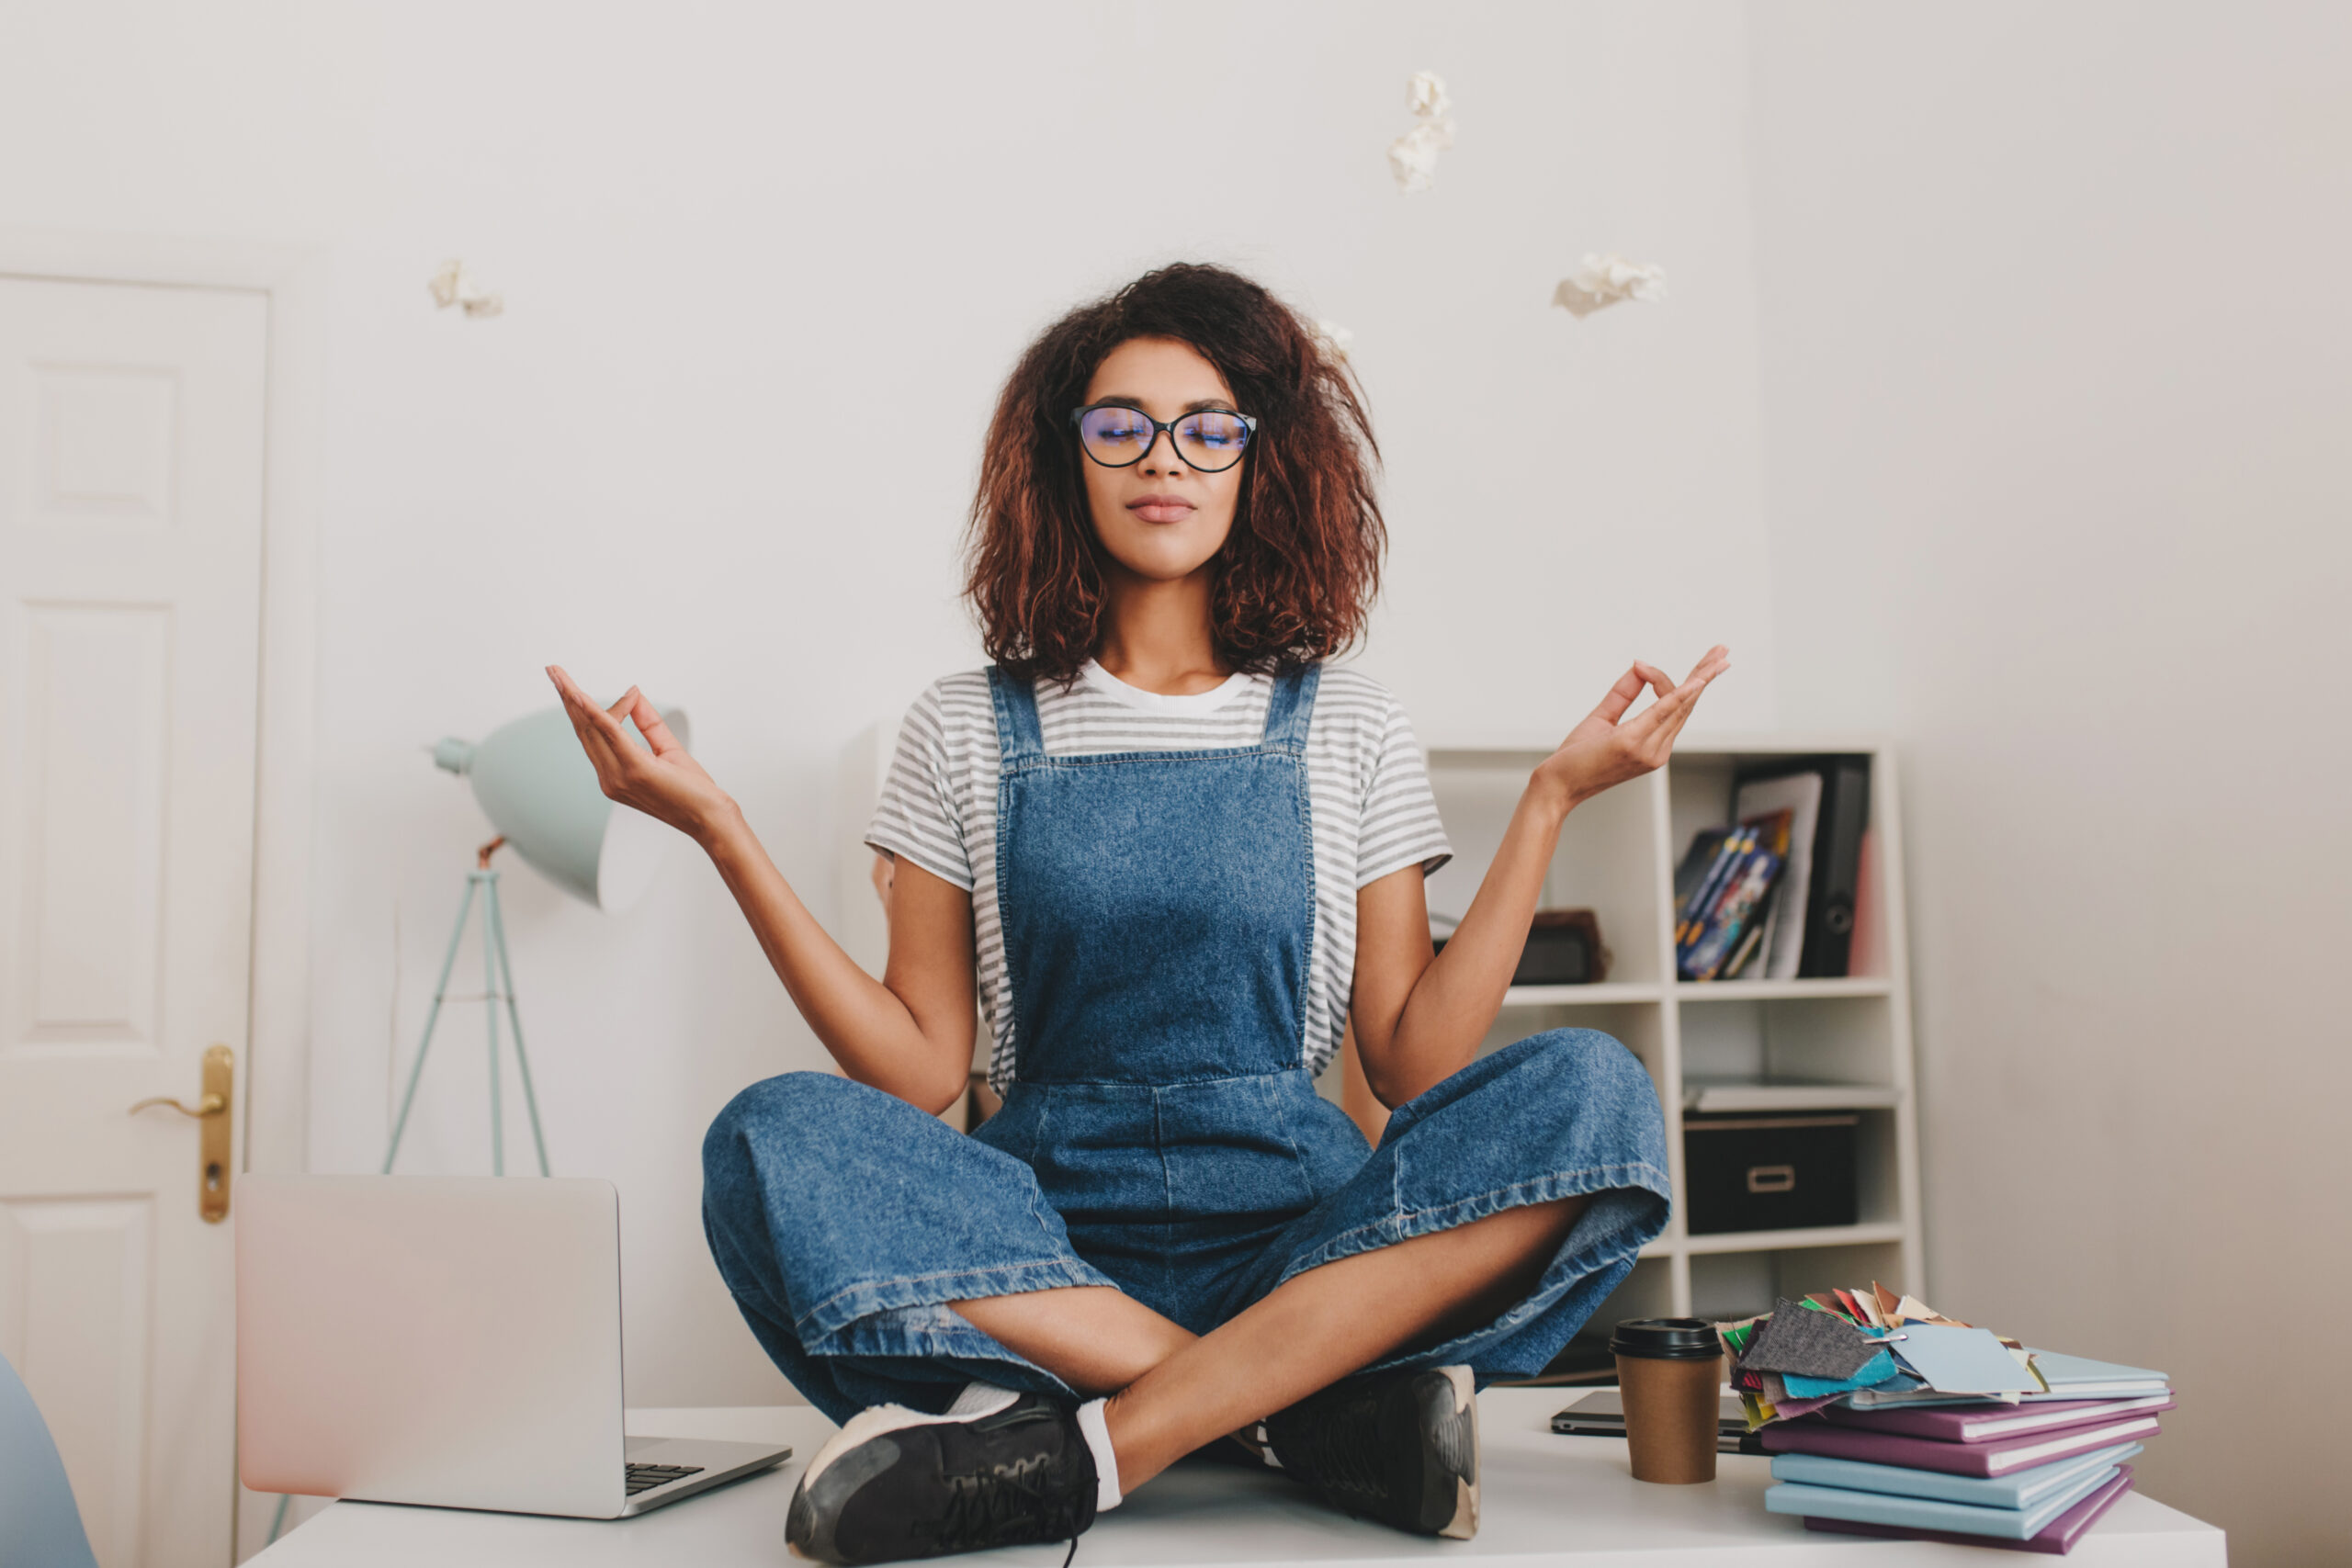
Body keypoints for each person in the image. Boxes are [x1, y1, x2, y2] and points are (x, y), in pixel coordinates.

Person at [549, 262, 1728, 1564]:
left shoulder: (1347, 719)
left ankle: (1109, 1440)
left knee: (1597, 1093)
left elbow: (1412, 1061)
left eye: (1208, 427)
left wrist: (1554, 801)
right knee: (770, 1138)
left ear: (1260, 460)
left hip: (1308, 1244)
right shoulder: (962, 724)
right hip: (1051, 1260)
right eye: (1120, 424)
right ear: (1066, 457)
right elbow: (920, 1070)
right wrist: (722, 830)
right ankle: (1285, 1415)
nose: (1163, 458)